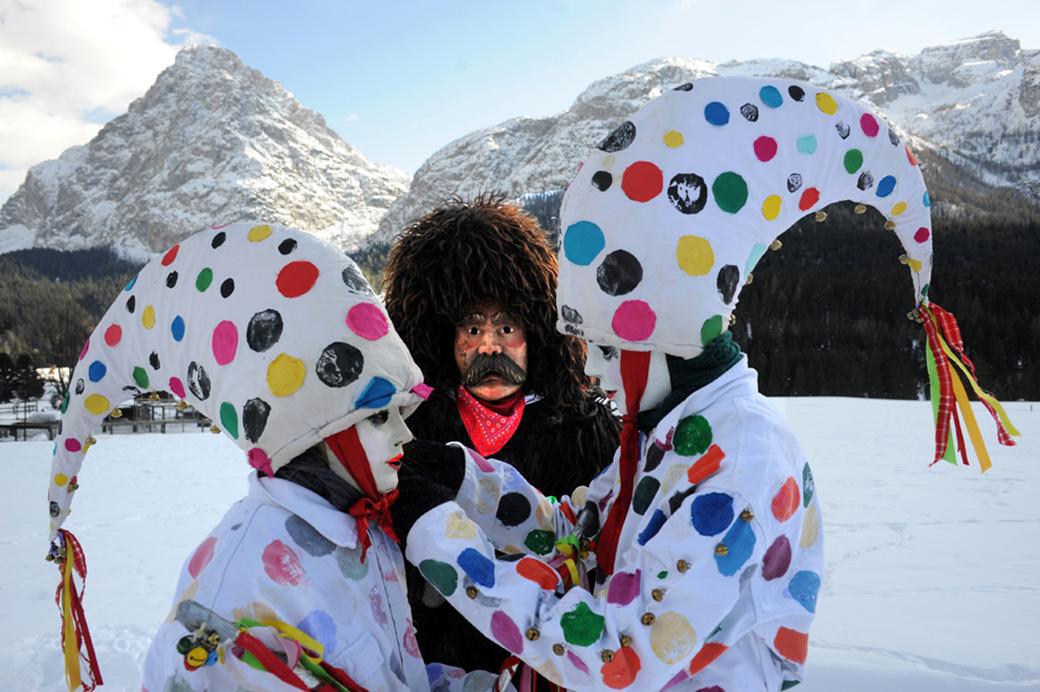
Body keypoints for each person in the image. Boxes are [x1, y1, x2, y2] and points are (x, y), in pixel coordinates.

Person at [389, 76, 1018, 690]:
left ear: (665, 340)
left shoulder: (739, 462)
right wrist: (467, 482)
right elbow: (579, 527)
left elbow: (619, 660)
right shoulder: (676, 435)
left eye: (608, 347)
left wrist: (441, 541)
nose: (594, 366)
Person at [44, 222, 503, 691]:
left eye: (400, 412)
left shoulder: (365, 532)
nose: (406, 434)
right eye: (379, 416)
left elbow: (387, 675)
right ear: (309, 427)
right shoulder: (232, 604)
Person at [382, 195, 619, 673]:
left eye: (506, 327)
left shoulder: (590, 433)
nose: (488, 345)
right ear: (443, 341)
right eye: (471, 329)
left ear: (537, 335)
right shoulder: (404, 434)